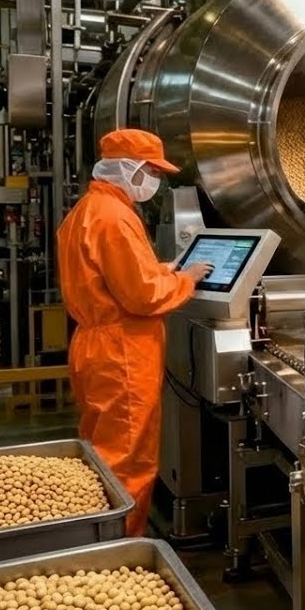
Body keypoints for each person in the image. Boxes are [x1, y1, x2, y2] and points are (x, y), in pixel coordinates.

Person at [58, 129, 214, 537]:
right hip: (122, 353)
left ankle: (97, 537)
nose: (154, 180)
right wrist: (189, 281)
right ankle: (119, 548)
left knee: (101, 450)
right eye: (151, 171)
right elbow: (143, 297)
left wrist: (167, 269)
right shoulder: (115, 218)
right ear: (129, 169)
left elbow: (119, 278)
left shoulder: (88, 211)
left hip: (94, 343)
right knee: (126, 461)